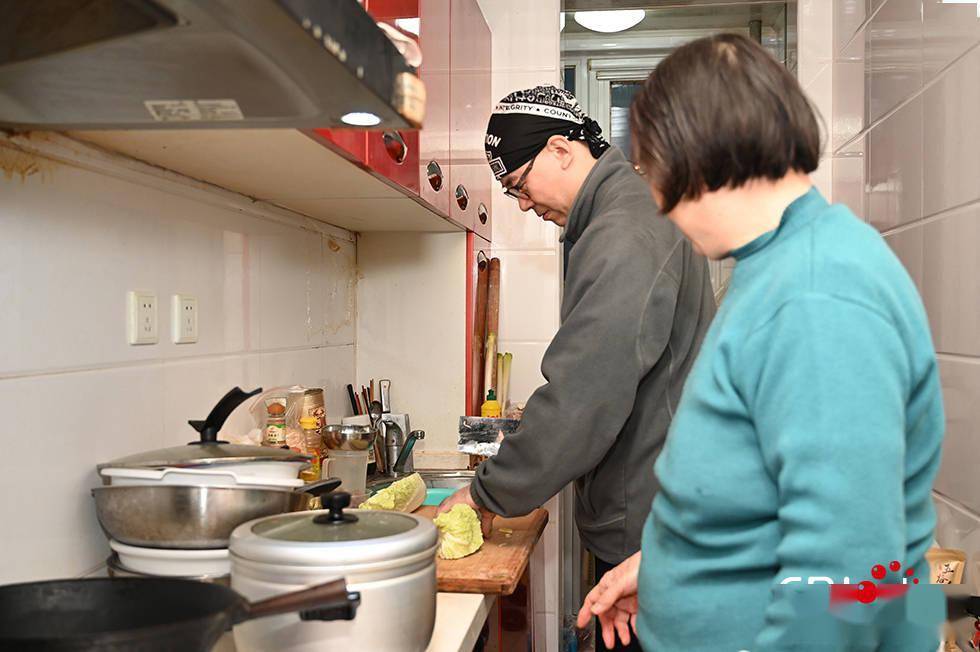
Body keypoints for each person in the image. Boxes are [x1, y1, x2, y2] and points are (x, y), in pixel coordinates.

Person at [577, 33, 945, 651]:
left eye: (651, 172)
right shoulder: (777, 265)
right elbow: (762, 490)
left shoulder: (816, 293)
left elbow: (845, 580)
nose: (658, 202)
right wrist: (663, 567)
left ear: (692, 154)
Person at [436, 85, 715, 651]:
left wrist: (487, 494)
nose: (521, 203)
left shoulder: (623, 230)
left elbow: (583, 395)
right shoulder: (626, 214)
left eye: (518, 185)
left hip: (649, 519)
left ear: (561, 150)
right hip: (655, 511)